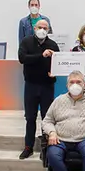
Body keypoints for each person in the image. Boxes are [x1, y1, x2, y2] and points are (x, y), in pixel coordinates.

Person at [18, 19, 60, 160]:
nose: (42, 29)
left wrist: (54, 73)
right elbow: (22, 58)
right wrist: (41, 56)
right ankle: (28, 147)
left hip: (47, 86)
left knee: (46, 118)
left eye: (45, 28)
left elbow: (57, 65)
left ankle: (46, 148)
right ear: (35, 28)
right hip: (30, 85)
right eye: (40, 27)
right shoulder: (26, 41)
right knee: (30, 117)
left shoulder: (53, 45)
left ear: (49, 30)